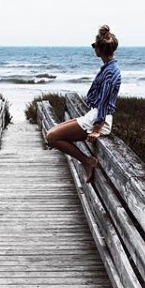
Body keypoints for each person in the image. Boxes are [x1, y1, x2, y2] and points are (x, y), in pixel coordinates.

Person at [46, 25, 121, 183]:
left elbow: (104, 102)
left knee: (52, 137)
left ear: (100, 49)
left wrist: (97, 129)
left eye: (95, 46)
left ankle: (86, 161)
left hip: (99, 120)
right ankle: (86, 161)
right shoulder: (109, 68)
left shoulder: (110, 72)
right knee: (52, 132)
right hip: (94, 115)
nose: (94, 49)